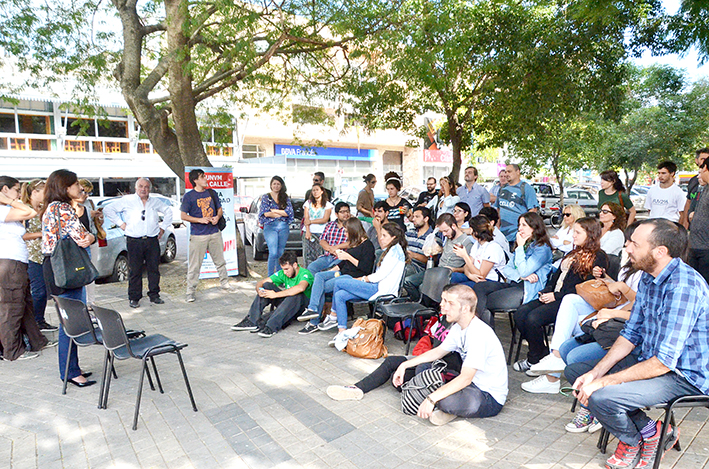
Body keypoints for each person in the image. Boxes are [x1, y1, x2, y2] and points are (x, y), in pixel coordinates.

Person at [567, 219, 709, 469]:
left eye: (635, 243)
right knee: (577, 373)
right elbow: (631, 334)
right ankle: (650, 432)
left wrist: (602, 382)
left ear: (660, 252)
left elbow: (664, 362)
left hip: (683, 375)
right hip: (651, 361)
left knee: (601, 396)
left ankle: (632, 441)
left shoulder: (684, 285)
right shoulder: (647, 277)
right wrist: (596, 373)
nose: (628, 248)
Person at [326, 284, 508, 426]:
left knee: (442, 399)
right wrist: (405, 364)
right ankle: (356, 390)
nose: (442, 307)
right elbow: (438, 352)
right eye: (443, 301)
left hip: (487, 395)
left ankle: (447, 410)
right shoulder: (458, 327)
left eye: (449, 303)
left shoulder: (479, 334)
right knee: (394, 364)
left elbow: (466, 379)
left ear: (466, 308)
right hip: (463, 380)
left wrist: (431, 399)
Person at [524, 226, 642, 396]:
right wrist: (604, 278)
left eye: (632, 243)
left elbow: (638, 304)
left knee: (569, 346)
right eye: (627, 242)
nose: (627, 247)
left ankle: (554, 376)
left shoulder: (644, 272)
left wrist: (614, 307)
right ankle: (555, 359)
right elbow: (619, 293)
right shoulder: (628, 266)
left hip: (620, 322)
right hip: (612, 311)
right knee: (568, 304)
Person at [512, 217, 609, 378]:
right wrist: (547, 290)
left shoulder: (598, 256)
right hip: (554, 294)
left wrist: (555, 295)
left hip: (568, 300)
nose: (574, 236)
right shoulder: (573, 252)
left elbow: (587, 287)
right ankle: (540, 352)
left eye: (578, 232)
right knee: (521, 313)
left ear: (590, 234)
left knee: (533, 318)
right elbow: (556, 276)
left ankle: (535, 359)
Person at [41, 169, 96, 386]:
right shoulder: (63, 209)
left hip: (53, 267)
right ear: (66, 188)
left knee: (68, 319)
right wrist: (91, 236)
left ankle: (72, 368)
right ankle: (71, 372)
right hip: (66, 269)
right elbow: (83, 239)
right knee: (70, 322)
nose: (79, 188)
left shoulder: (50, 208)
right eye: (75, 185)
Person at [465, 212, 553, 320]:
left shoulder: (542, 249)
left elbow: (524, 270)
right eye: (519, 225)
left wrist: (520, 248)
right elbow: (507, 269)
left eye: (524, 225)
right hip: (515, 282)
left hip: (527, 289)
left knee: (485, 301)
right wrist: (520, 276)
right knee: (480, 286)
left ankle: (480, 327)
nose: (520, 229)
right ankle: (481, 327)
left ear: (535, 227)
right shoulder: (526, 245)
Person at [103, 177, 173, 308]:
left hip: (152, 239)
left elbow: (168, 211)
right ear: (136, 188)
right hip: (134, 240)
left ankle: (154, 295)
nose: (143, 189)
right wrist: (121, 224)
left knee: (153, 269)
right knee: (135, 270)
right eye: (141, 186)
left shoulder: (154, 201)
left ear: (150, 189)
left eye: (146, 187)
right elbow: (108, 210)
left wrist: (163, 228)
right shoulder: (127, 200)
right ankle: (134, 297)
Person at [0, 176, 49, 361]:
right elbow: (29, 212)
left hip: (18, 262)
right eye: (16, 189)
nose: (19, 193)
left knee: (25, 304)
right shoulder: (3, 210)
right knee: (12, 307)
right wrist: (10, 200)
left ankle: (37, 341)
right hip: (9, 263)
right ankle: (12, 351)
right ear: (5, 189)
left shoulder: (7, 210)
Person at [297, 218, 375, 333]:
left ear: (354, 231)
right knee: (319, 276)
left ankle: (313, 322)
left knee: (320, 288)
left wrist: (348, 257)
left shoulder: (367, 245)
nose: (345, 234)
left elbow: (365, 268)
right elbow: (343, 264)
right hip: (342, 272)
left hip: (353, 278)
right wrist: (330, 272)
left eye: (346, 231)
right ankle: (312, 309)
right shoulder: (353, 243)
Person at [328, 222, 407, 335]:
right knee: (339, 295)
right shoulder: (392, 249)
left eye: (384, 235)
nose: (381, 238)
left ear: (393, 237)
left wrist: (361, 279)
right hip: (376, 286)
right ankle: (342, 331)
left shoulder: (395, 252)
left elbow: (379, 276)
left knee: (339, 282)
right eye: (381, 235)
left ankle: (332, 316)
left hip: (380, 289)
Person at [231, 251, 314, 338]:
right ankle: (252, 321)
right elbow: (262, 282)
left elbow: (301, 288)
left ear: (295, 265)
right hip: (287, 303)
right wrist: (260, 290)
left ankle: (271, 327)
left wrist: (275, 294)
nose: (285, 272)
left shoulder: (305, 273)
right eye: (283, 269)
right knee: (266, 286)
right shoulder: (283, 273)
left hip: (300, 308)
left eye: (287, 269)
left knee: (296, 295)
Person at [181, 169, 234, 300]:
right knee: (195, 265)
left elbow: (219, 209)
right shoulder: (189, 196)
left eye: (205, 176)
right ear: (195, 180)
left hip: (214, 232)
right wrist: (199, 220)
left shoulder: (212, 192)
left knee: (220, 260)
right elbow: (183, 215)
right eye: (202, 177)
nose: (205, 179)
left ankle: (225, 283)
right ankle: (190, 292)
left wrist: (217, 217)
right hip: (198, 235)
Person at [403, 213, 473, 301]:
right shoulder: (449, 237)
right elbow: (446, 253)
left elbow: (468, 267)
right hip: (437, 270)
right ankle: (419, 304)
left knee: (423, 287)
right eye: (442, 232)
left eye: (446, 231)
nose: (444, 234)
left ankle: (428, 308)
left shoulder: (467, 242)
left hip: (450, 272)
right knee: (408, 281)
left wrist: (454, 269)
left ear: (454, 226)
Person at [20, 179, 56, 331]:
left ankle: (39, 320)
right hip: (31, 256)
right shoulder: (24, 211)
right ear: (34, 193)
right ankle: (35, 322)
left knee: (44, 290)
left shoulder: (43, 209)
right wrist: (41, 234)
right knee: (38, 290)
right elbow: (21, 235)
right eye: (43, 192)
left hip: (44, 255)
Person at [450, 215, 507, 287]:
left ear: (476, 232)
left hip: (490, 281)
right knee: (452, 277)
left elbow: (481, 275)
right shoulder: (477, 244)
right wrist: (470, 276)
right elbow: (466, 267)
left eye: (471, 229)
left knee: (460, 288)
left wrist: (465, 256)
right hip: (475, 277)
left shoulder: (493, 247)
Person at [258, 175, 294, 276]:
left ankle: (280, 276)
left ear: (281, 185)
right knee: (273, 252)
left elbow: (289, 212)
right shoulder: (266, 197)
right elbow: (265, 213)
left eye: (278, 184)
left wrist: (274, 211)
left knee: (280, 253)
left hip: (283, 226)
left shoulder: (285, 197)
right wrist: (280, 213)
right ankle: (270, 276)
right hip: (270, 226)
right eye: (274, 184)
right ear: (271, 185)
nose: (276, 186)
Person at [495, 163, 539, 246]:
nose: (506, 174)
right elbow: (498, 209)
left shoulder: (526, 188)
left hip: (518, 236)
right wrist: (497, 228)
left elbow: (532, 211)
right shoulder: (502, 189)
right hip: (502, 236)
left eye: (509, 171)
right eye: (506, 172)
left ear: (517, 172)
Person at [307, 202, 350, 274]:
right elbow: (322, 240)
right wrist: (331, 249)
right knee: (311, 267)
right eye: (342, 212)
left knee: (330, 270)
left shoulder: (352, 226)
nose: (345, 214)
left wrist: (336, 247)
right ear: (336, 214)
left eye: (347, 211)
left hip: (342, 257)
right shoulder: (330, 225)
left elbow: (353, 242)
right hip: (327, 256)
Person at [301, 183, 333, 268]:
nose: (315, 192)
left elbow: (325, 219)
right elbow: (306, 218)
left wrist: (311, 221)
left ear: (322, 191)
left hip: (322, 232)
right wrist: (308, 230)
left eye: (317, 190)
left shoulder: (327, 205)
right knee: (308, 255)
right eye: (313, 190)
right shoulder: (308, 203)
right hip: (309, 231)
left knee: (320, 254)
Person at [688, 159, 709, 284]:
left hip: (706, 248)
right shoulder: (704, 188)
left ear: (706, 167)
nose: (698, 176)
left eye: (701, 172)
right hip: (695, 246)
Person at [680, 148, 708, 228]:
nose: (705, 161)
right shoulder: (693, 181)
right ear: (697, 160)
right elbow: (688, 202)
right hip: (693, 229)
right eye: (703, 159)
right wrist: (685, 223)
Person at [405, 206, 433, 276]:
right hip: (405, 262)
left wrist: (414, 255)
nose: (413, 219)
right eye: (413, 216)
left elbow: (432, 260)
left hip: (419, 268)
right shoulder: (409, 233)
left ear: (426, 219)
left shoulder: (432, 236)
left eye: (417, 217)